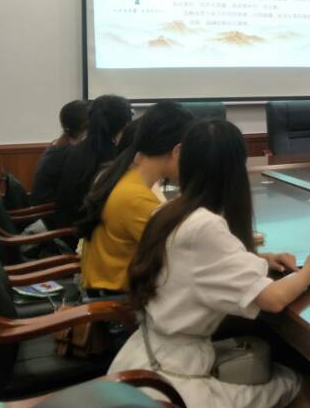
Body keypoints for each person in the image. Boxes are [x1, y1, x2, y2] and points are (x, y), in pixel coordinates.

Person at [110, 119, 310, 408]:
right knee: (307, 392)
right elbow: (273, 299)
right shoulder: (206, 226)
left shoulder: (168, 210)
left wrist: (262, 259)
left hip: (144, 357)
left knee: (276, 374)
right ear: (235, 171)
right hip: (176, 384)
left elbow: (195, 265)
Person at [77, 101, 194, 294]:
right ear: (177, 151)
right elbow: (177, 256)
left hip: (106, 291)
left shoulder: (122, 175)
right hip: (118, 303)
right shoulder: (135, 197)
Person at [52, 94, 132, 231]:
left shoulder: (78, 148)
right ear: (125, 124)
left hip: (67, 226)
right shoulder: (111, 156)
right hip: (83, 233)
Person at [29, 100, 89, 204]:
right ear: (86, 125)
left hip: (45, 208)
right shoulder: (70, 152)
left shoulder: (58, 144)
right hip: (48, 211)